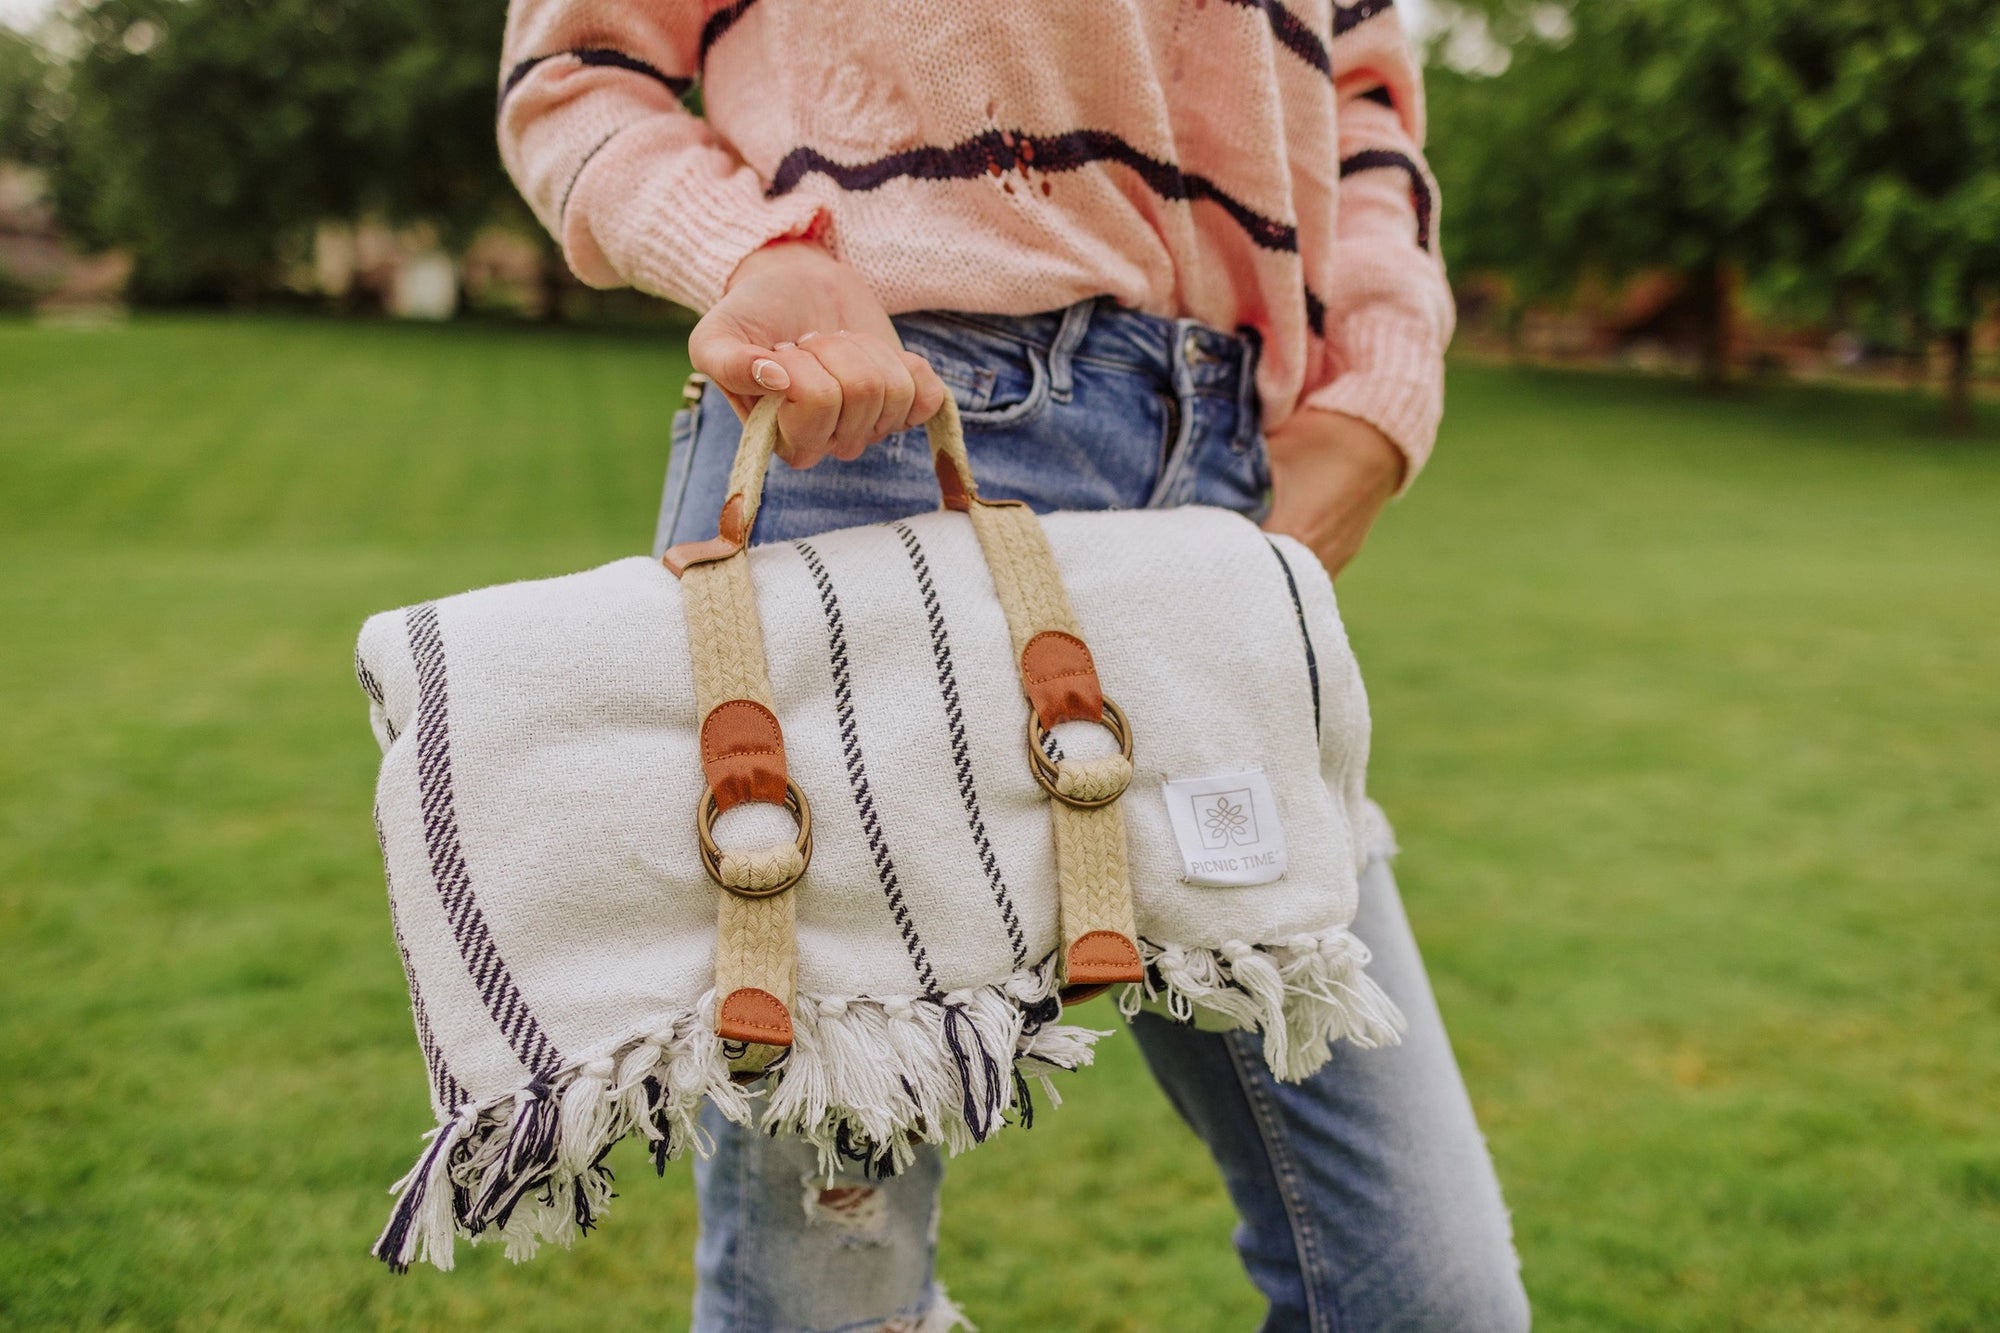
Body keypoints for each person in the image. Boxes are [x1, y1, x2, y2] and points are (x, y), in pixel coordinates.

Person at [498, 3, 1528, 1328]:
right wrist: (765, 256)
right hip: (866, 435)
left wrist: (1378, 403)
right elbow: (577, 68)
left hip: (1219, 486)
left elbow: (1368, 104)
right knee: (831, 1299)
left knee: (1427, 1298)